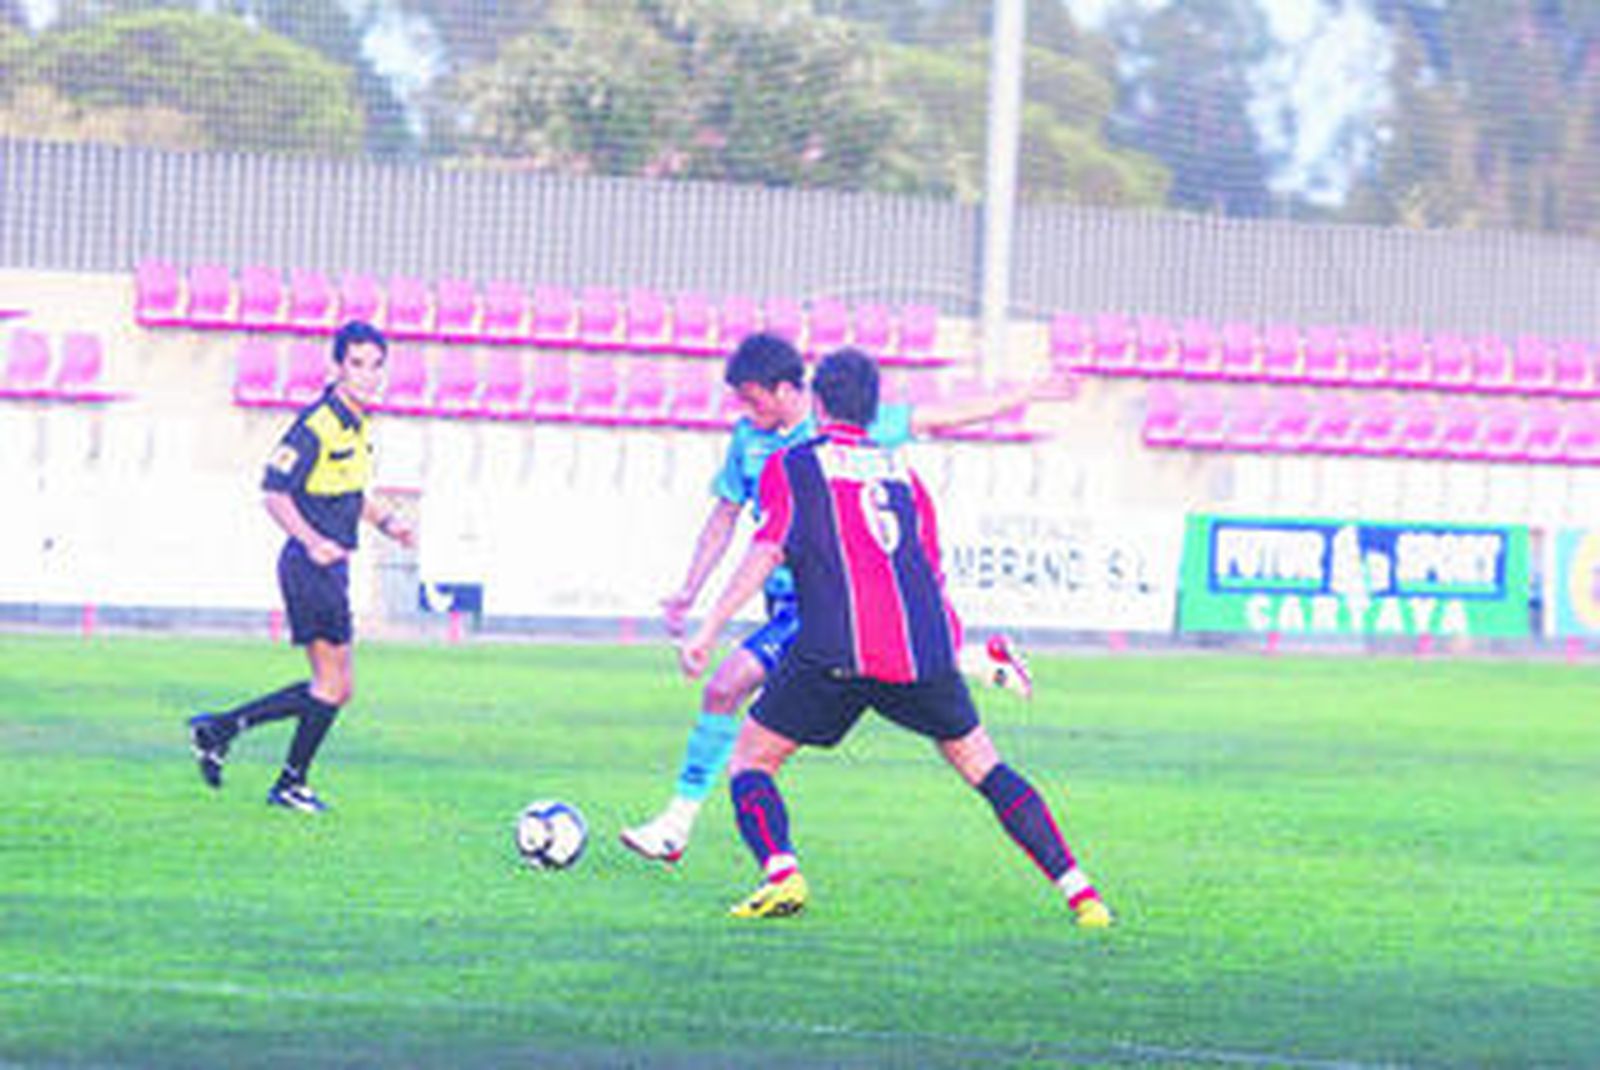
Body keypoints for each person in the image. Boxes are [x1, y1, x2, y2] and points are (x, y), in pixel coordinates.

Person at [678, 348, 1111, 926]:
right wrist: (951, 654)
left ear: (819, 402)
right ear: (873, 407)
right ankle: (1082, 894)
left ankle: (781, 873)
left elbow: (765, 551)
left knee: (751, 761)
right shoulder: (904, 475)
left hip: (833, 651)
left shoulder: (795, 465)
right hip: (919, 656)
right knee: (986, 767)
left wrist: (709, 625)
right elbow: (929, 575)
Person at [620, 333, 1048, 863]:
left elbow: (944, 417)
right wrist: (690, 587)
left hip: (825, 600)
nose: (745, 411)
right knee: (752, 705)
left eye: (752, 399)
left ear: (784, 391)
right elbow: (725, 515)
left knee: (726, 687)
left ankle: (676, 827)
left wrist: (1030, 392)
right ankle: (979, 660)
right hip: (783, 606)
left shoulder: (847, 426)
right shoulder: (747, 439)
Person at [186, 321, 415, 813]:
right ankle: (280, 776)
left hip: (330, 568)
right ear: (336, 367)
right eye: (357, 364)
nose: (368, 375)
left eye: (376, 365)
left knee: (336, 686)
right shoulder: (317, 424)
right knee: (332, 686)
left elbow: (350, 495)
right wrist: (312, 543)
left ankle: (225, 731)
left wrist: (389, 522)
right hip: (310, 567)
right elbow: (273, 492)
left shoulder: (358, 424)